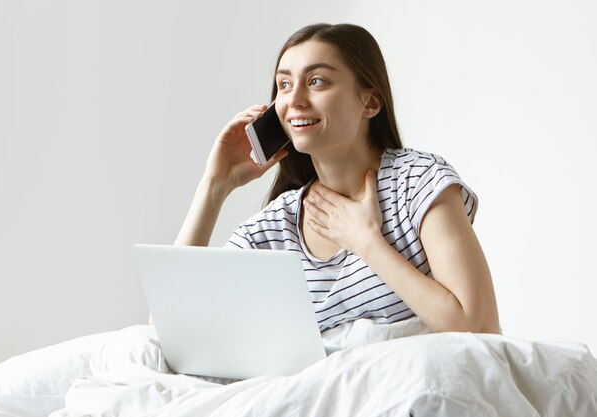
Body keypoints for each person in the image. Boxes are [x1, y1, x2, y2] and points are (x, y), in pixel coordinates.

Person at [173, 23, 500, 334]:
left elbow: (480, 326)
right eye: (284, 84)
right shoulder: (274, 227)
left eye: (316, 81)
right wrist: (214, 186)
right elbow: (173, 323)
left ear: (369, 101)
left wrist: (367, 243)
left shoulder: (416, 183)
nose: (296, 99)